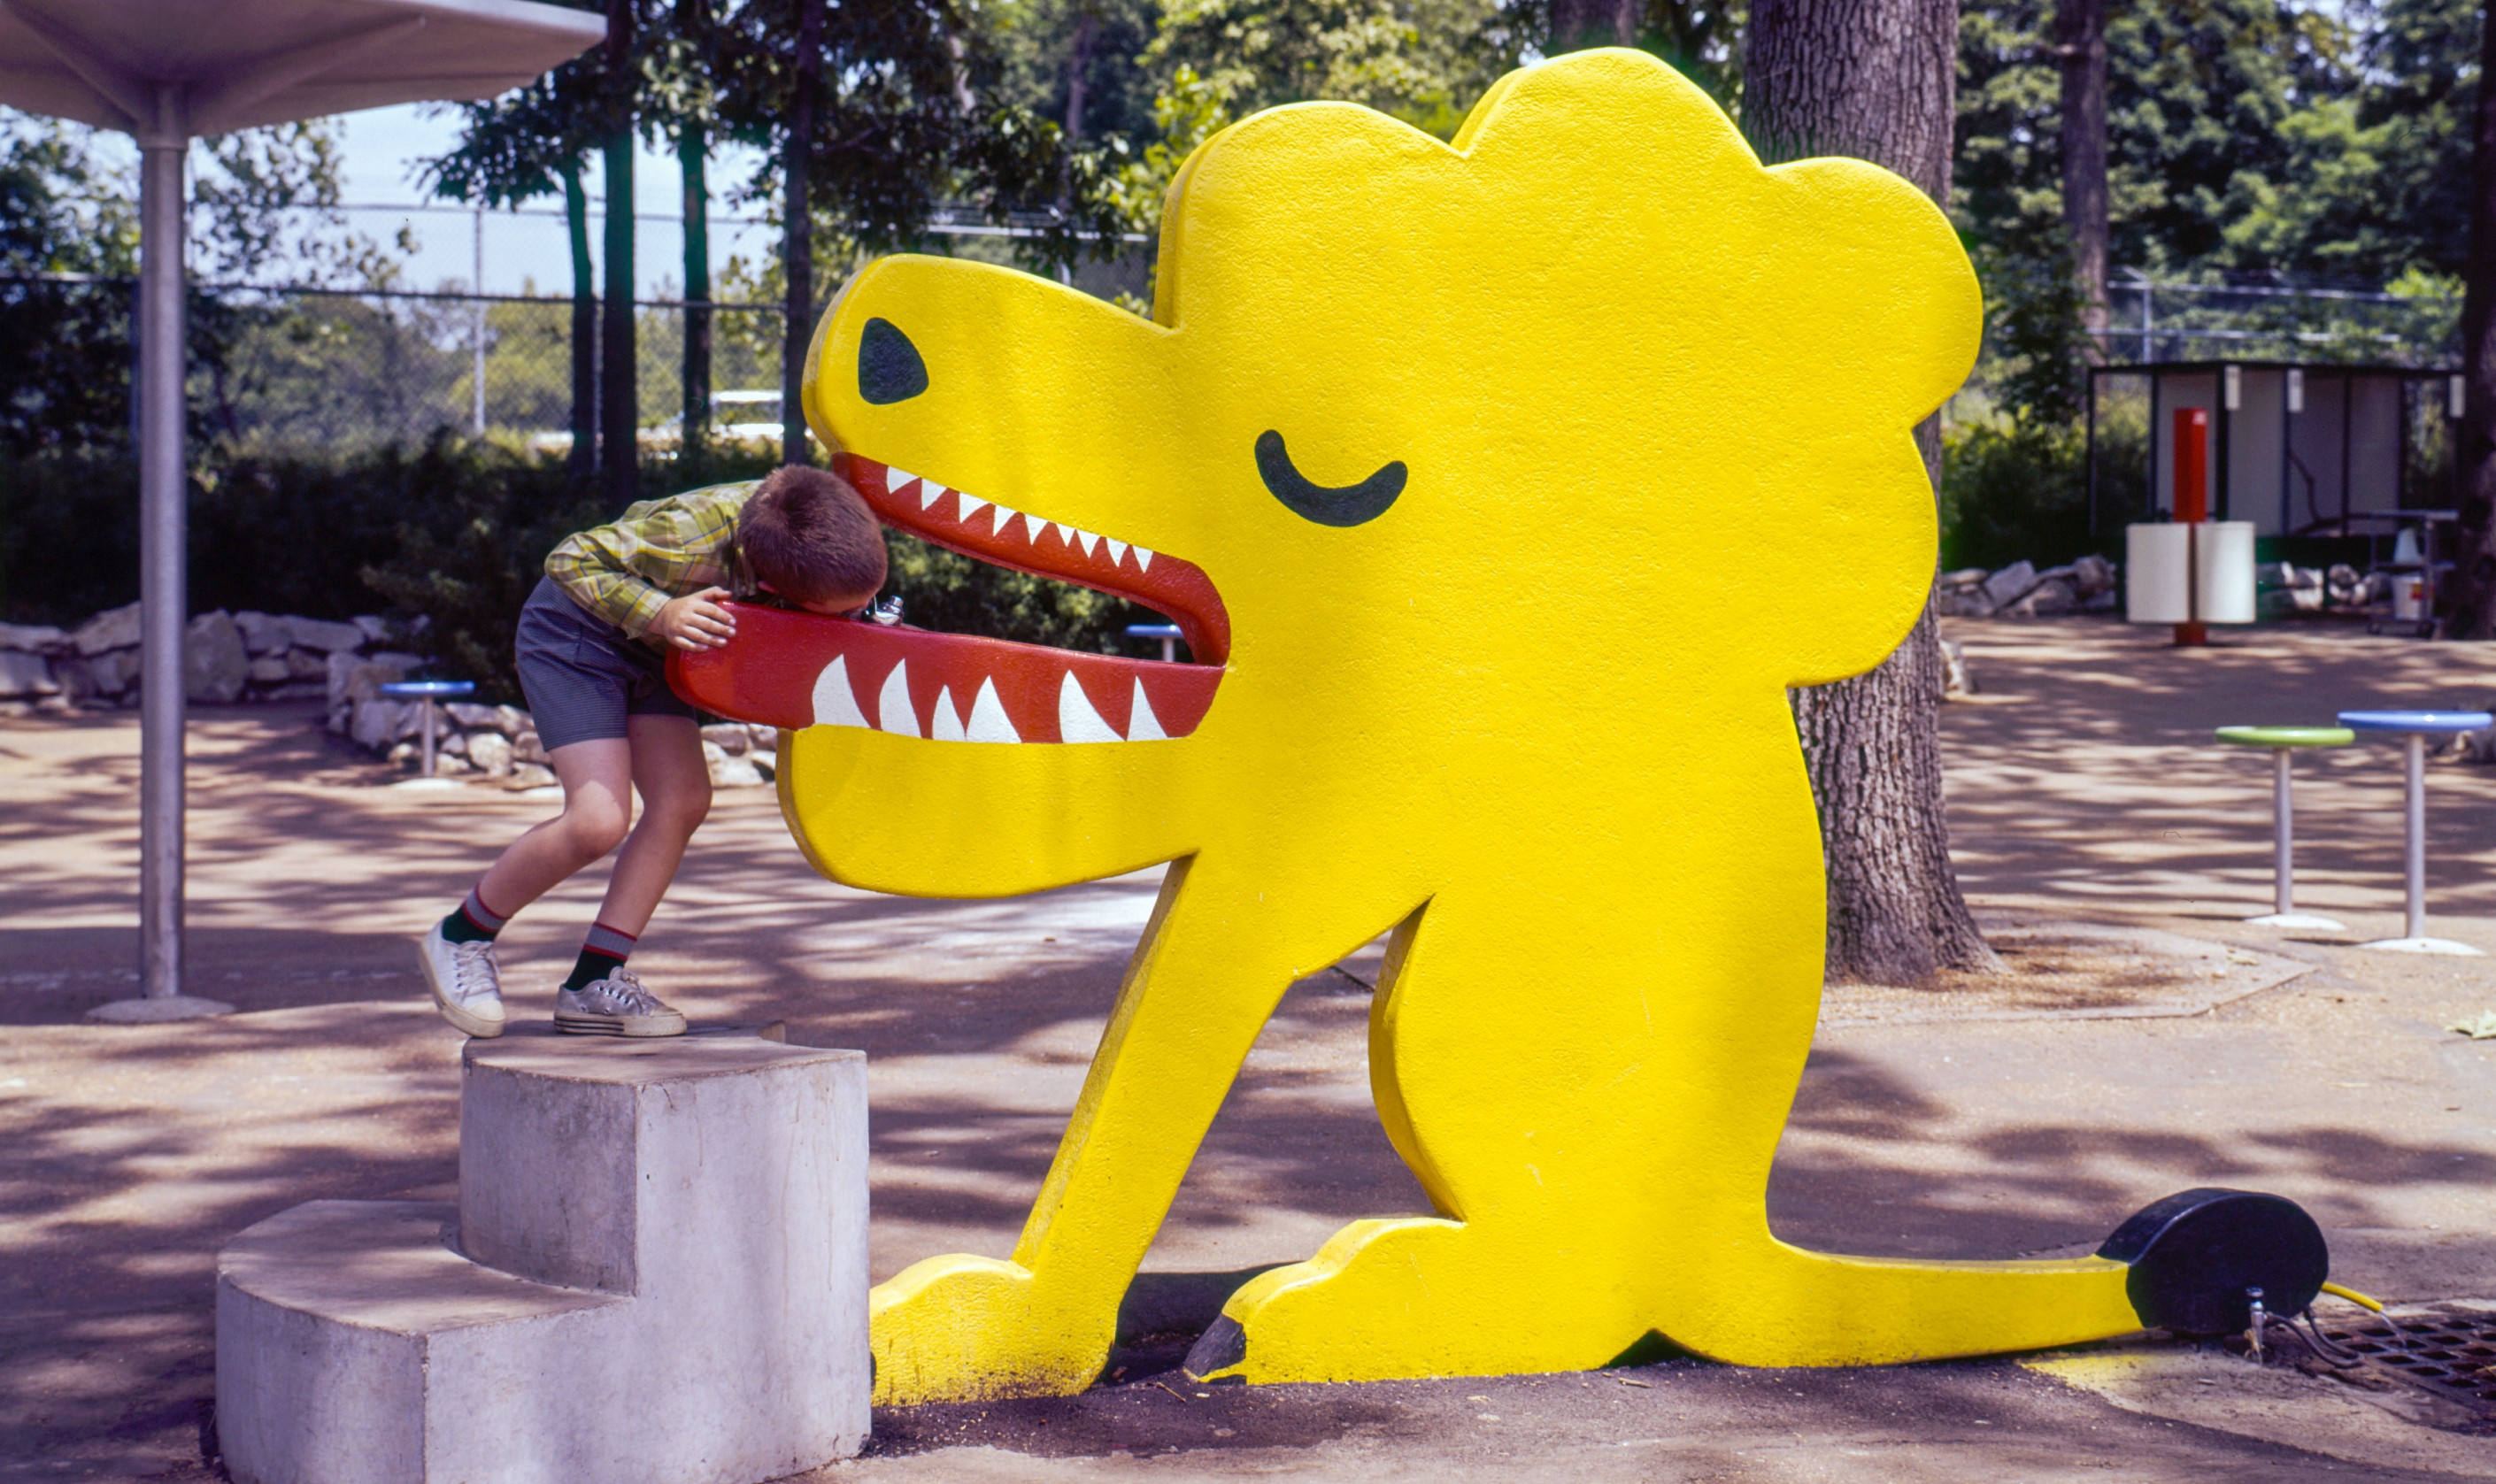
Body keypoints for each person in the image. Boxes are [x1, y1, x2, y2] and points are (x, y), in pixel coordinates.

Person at [414, 465, 889, 1038]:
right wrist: (662, 613)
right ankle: (462, 935)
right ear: (774, 581)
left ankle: (593, 982)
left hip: (656, 652)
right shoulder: (693, 533)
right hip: (576, 635)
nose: (852, 617)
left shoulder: (827, 527)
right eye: (840, 612)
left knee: (683, 799)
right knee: (596, 821)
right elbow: (569, 559)